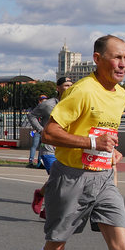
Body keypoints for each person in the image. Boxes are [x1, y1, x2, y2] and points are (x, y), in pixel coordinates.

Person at [21, 35, 125, 250]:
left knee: (122, 246)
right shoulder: (81, 91)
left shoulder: (122, 95)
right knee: (56, 245)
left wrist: (110, 150)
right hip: (71, 177)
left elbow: (104, 132)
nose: (122, 64)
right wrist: (91, 143)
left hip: (103, 178)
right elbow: (49, 132)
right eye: (116, 57)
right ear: (98, 59)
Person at [29, 78, 73, 217]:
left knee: (60, 178)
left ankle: (41, 195)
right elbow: (32, 116)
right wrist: (42, 131)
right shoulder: (48, 104)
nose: (69, 87)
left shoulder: (75, 104)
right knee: (59, 177)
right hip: (49, 146)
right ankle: (50, 210)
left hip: (66, 146)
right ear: (58, 88)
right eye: (66, 85)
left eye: (71, 85)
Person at [27, 94, 47, 167]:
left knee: (42, 146)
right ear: (40, 101)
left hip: (44, 129)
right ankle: (31, 160)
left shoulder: (46, 108)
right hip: (37, 130)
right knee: (35, 145)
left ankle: (40, 161)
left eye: (45, 100)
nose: (44, 102)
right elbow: (33, 118)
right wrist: (35, 128)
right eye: (42, 100)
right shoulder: (37, 108)